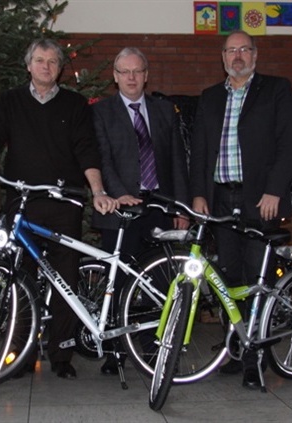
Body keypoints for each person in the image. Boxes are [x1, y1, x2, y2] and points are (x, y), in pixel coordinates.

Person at [0, 38, 118, 380]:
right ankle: (20, 354)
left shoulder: (75, 104)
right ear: (28, 65)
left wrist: (97, 190)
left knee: (64, 278)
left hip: (64, 204)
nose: (46, 67)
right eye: (39, 60)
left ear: (60, 68)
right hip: (23, 204)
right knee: (20, 279)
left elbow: (86, 149)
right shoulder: (11, 100)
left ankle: (62, 354)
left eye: (52, 61)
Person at [189, 30, 292, 389]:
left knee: (256, 279)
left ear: (255, 55)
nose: (237, 56)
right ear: (222, 57)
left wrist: (274, 190)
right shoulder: (208, 97)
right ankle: (236, 348)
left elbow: (290, 143)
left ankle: (257, 358)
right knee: (228, 276)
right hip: (220, 199)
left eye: (243, 50)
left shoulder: (276, 89)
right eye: (230, 50)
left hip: (259, 201)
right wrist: (198, 195)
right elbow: (200, 152)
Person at [90, 47, 191, 375]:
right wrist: (121, 194)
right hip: (119, 210)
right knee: (116, 282)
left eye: (137, 71)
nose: (131, 77)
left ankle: (151, 350)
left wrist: (180, 207)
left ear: (146, 75)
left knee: (159, 283)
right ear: (115, 76)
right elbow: (101, 159)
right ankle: (115, 351)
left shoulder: (164, 110)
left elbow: (177, 161)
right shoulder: (101, 111)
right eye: (125, 72)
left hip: (159, 209)